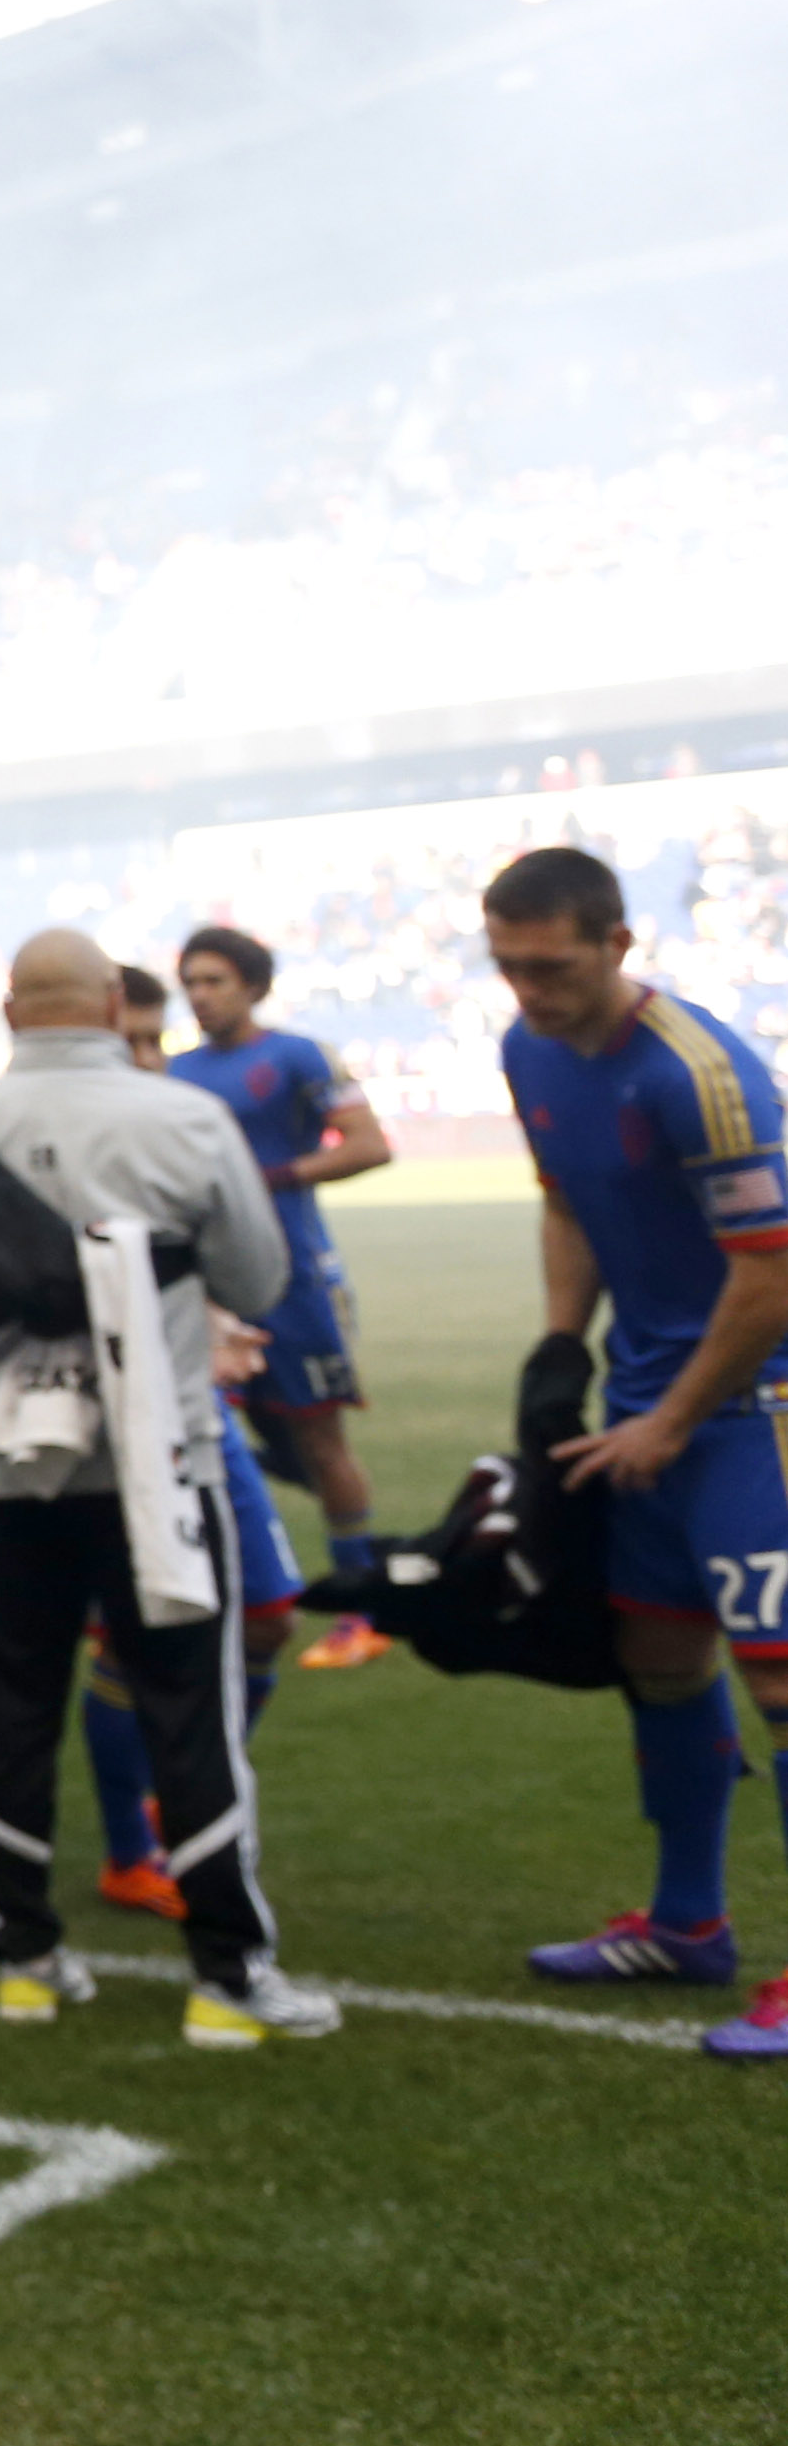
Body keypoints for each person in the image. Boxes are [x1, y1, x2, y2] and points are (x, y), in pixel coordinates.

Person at [0, 928, 330, 2048]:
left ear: (8, 1008)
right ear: (107, 1003)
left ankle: (28, 1961)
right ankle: (227, 1980)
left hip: (1, 1475)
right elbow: (259, 1278)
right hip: (157, 1470)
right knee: (191, 1715)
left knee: (12, 1710)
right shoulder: (182, 1119)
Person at [472, 845, 788, 2064]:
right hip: (644, 1401)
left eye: (548, 969)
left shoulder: (701, 1078)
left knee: (780, 1683)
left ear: (617, 944)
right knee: (659, 1657)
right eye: (506, 968)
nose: (527, 992)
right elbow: (567, 1200)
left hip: (752, 1406)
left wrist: (669, 1421)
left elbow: (770, 1278)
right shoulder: (526, 1051)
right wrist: (564, 1346)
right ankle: (688, 1925)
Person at [80, 967, 304, 1922]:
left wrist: (218, 1322)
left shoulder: (180, 1125)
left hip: (201, 1417)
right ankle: (133, 1850)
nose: (142, 1059)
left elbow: (231, 1265)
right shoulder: (63, 1139)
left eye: (151, 1040)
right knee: (123, 1645)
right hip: (112, 1428)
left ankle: (181, 1791)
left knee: (269, 1614)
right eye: (123, 1040)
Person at [170, 922, 399, 1665]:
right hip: (206, 1291)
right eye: (192, 983)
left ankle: (359, 1611)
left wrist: (279, 1177)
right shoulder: (176, 1075)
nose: (200, 996)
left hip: (294, 1281)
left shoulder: (297, 1055)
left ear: (253, 987)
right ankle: (231, 1603)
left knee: (321, 1441)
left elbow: (370, 1144)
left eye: (215, 981)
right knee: (206, 1437)